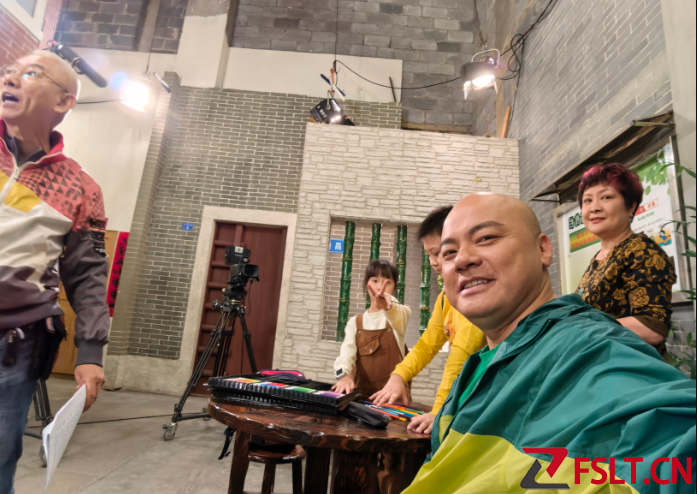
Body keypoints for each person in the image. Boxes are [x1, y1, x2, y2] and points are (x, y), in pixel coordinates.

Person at [402, 193, 695, 493]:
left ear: (543, 249)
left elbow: (675, 449)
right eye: (448, 253)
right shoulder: (482, 362)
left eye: (486, 238)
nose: (462, 260)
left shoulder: (586, 348)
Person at [0, 51, 109, 493]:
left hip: (16, 344)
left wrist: (90, 353)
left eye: (30, 73)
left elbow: (88, 276)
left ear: (64, 102)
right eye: (8, 71)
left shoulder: (80, 187)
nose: (10, 78)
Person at [370, 206, 485, 434]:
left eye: (438, 253)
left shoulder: (474, 293)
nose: (433, 262)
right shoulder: (445, 298)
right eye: (429, 255)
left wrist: (440, 409)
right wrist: (398, 376)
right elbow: (426, 345)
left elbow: (462, 353)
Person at [576, 163, 676, 357]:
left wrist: (579, 327)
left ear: (630, 206)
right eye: (587, 200)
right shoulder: (599, 257)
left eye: (606, 197)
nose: (594, 208)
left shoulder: (641, 250)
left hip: (632, 369)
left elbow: (652, 328)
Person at [332, 259, 411, 494]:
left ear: (394, 287)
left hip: (395, 400)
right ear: (366, 284)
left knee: (393, 460)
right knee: (360, 458)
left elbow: (397, 312)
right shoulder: (355, 322)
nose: (380, 286)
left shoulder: (399, 315)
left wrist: (388, 305)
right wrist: (344, 375)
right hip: (363, 400)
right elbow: (346, 353)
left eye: (387, 282)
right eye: (375, 280)